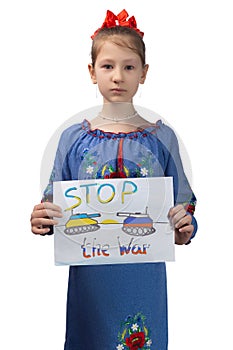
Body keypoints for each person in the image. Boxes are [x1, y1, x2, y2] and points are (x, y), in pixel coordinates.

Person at [30, 9, 197, 350]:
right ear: (92, 72)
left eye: (129, 66)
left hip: (143, 277)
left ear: (144, 73)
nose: (118, 76)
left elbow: (184, 209)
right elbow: (53, 205)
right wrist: (42, 219)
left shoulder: (162, 140)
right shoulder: (72, 139)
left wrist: (185, 226)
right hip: (91, 276)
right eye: (108, 66)